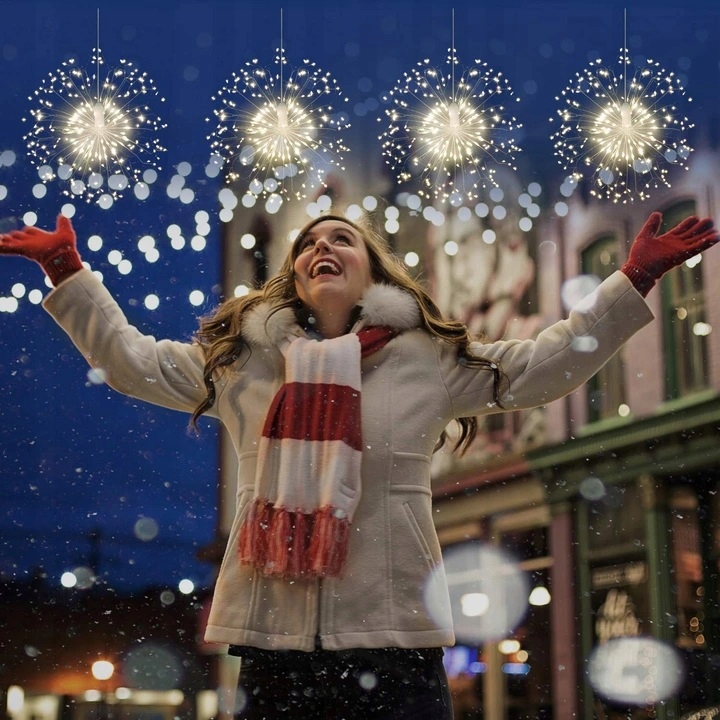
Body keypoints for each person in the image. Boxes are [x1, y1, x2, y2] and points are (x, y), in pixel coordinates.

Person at [1, 209, 718, 720]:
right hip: (275, 647)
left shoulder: (428, 362)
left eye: (340, 237)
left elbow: (542, 365)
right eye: (308, 242)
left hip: (394, 644)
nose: (322, 246)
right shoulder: (247, 365)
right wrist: (67, 269)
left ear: (371, 267)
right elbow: (131, 362)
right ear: (295, 277)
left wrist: (632, 281)